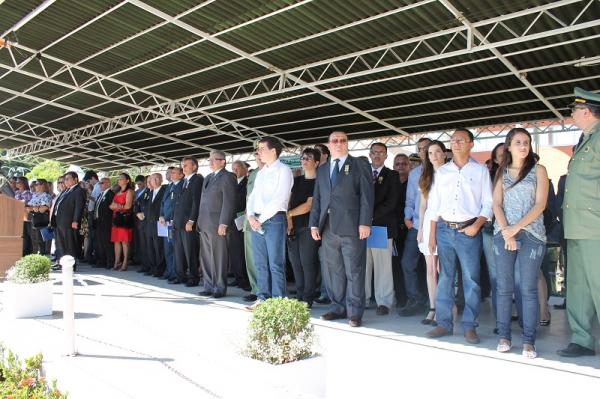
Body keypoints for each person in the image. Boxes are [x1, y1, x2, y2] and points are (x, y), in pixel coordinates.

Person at [425, 129, 493, 345]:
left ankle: (469, 326)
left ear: (471, 144)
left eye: (460, 140)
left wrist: (477, 226)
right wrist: (432, 236)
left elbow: (488, 204)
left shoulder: (480, 171)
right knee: (445, 278)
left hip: (468, 231)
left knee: (471, 280)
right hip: (444, 230)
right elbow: (434, 205)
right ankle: (444, 323)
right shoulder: (442, 172)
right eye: (453, 140)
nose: (456, 143)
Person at [492, 128, 548, 359]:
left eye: (526, 142)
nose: (523, 146)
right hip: (504, 234)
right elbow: (496, 204)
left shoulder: (539, 171)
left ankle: (528, 341)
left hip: (532, 235)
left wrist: (516, 228)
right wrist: (507, 231)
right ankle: (504, 336)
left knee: (528, 288)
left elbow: (540, 205)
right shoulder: (501, 172)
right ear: (509, 146)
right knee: (504, 288)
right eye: (518, 142)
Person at [310, 131, 374, 327]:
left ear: (347, 144)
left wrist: (365, 223)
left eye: (342, 140)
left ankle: (355, 312)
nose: (338, 143)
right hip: (328, 228)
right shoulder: (322, 169)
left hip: (353, 227)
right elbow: (318, 199)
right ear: (328, 145)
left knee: (354, 270)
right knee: (333, 270)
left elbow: (366, 196)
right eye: (334, 141)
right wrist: (313, 223)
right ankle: (338, 307)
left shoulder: (359, 165)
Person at [557, 88, 600, 358]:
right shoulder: (585, 139)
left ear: (586, 111)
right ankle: (582, 339)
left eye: (574, 109)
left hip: (595, 226)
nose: (572, 113)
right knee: (578, 287)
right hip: (576, 226)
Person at [246, 137, 294, 308]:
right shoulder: (260, 173)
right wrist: (250, 216)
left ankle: (279, 301)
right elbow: (252, 197)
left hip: (273, 220)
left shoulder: (284, 170)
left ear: (273, 151)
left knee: (276, 263)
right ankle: (263, 298)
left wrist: (259, 219)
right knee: (260, 262)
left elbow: (279, 199)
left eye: (261, 148)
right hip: (257, 220)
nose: (258, 152)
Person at [197, 150, 237, 298]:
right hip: (205, 223)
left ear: (223, 161)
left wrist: (224, 223)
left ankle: (219, 287)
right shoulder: (208, 177)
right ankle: (208, 286)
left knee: (219, 257)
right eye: (210, 160)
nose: (211, 162)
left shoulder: (228, 177)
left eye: (214, 159)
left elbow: (229, 202)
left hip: (218, 224)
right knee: (206, 256)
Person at [366, 143, 399, 316]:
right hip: (362, 227)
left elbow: (392, 202)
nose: (377, 155)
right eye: (374, 152)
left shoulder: (392, 175)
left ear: (386, 156)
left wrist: (369, 217)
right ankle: (362, 298)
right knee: (363, 264)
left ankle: (384, 302)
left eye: (381, 153)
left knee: (382, 267)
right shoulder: (362, 174)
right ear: (369, 154)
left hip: (381, 226)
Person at [417, 141, 447, 324]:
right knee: (430, 269)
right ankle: (433, 307)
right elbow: (422, 205)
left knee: (444, 269)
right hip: (428, 222)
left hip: (446, 222)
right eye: (430, 153)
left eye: (437, 152)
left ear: (444, 153)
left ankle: (445, 307)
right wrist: (420, 228)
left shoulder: (451, 173)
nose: (434, 155)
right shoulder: (426, 175)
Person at [400, 138, 431, 316]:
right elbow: (410, 200)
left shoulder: (443, 171)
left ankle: (434, 302)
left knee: (435, 267)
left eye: (427, 148)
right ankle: (415, 300)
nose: (424, 151)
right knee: (407, 263)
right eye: (420, 149)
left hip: (438, 227)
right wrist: (407, 217)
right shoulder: (414, 174)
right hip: (416, 225)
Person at [287, 147, 321, 308]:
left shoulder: (319, 181)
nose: (304, 160)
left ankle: (308, 297)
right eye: (303, 157)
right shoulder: (297, 180)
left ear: (316, 162)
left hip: (309, 226)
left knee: (307, 262)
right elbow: (288, 202)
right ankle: (299, 294)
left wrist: (289, 215)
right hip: (294, 226)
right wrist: (289, 223)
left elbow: (309, 205)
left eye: (308, 158)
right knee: (295, 263)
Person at [482, 142, 505, 333]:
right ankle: (501, 320)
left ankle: (524, 319)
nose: (504, 156)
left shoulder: (529, 174)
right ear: (495, 159)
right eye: (500, 154)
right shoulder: (488, 177)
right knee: (496, 276)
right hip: (490, 231)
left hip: (518, 231)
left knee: (518, 278)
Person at [172, 157, 204, 287]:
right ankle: (181, 275)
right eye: (183, 165)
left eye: (186, 165)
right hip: (178, 222)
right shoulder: (184, 181)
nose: (183, 167)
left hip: (188, 223)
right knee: (179, 251)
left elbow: (196, 202)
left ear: (194, 167)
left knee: (190, 251)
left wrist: (191, 220)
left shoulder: (197, 180)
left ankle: (193, 277)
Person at [242, 147, 265, 303]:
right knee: (251, 259)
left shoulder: (275, 171)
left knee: (265, 259)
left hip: (265, 220)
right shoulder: (254, 173)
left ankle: (265, 290)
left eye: (260, 152)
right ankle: (255, 289)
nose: (257, 156)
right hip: (249, 220)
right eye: (255, 153)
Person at [52, 171, 86, 266]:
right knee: (62, 244)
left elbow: (79, 207)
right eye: (64, 180)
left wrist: (75, 220)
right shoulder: (67, 190)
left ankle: (71, 265)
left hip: (69, 222)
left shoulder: (78, 190)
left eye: (67, 179)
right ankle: (63, 263)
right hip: (60, 221)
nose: (65, 181)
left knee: (70, 244)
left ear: (75, 179)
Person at [313, 142, 332, 305]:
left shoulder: (333, 171)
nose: (315, 154)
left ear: (326, 154)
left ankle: (327, 292)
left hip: (333, 225)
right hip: (317, 225)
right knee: (320, 261)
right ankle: (321, 289)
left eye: (318, 152)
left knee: (328, 260)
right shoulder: (316, 173)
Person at [392, 153, 410, 307]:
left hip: (410, 230)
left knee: (410, 264)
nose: (400, 166)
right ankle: (401, 297)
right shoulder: (390, 182)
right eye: (397, 164)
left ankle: (414, 296)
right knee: (396, 265)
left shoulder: (413, 183)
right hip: (394, 231)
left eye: (404, 163)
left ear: (409, 166)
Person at [229, 160, 250, 291]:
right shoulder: (232, 183)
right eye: (233, 168)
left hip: (243, 219)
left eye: (237, 168)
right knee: (234, 251)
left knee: (243, 251)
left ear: (245, 169)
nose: (235, 171)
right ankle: (238, 277)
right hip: (232, 221)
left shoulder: (247, 182)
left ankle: (245, 279)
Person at [159, 167, 183, 281]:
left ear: (181, 175)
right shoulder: (169, 186)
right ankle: (169, 271)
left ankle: (176, 273)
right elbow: (163, 203)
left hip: (174, 222)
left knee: (175, 250)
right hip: (165, 223)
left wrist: (170, 217)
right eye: (170, 173)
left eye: (174, 173)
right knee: (167, 249)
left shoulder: (182, 185)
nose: (171, 174)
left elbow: (177, 205)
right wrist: (161, 215)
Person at [110, 173, 134, 271]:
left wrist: (118, 206)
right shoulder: (117, 192)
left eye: (121, 179)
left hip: (124, 219)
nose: (119, 180)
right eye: (118, 179)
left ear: (127, 180)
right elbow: (110, 206)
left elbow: (128, 206)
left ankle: (125, 262)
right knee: (116, 241)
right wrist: (119, 206)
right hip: (116, 218)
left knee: (125, 241)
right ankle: (116, 261)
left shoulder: (129, 191)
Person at [145, 173, 166, 277]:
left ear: (161, 180)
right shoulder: (150, 192)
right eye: (153, 179)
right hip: (149, 224)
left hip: (159, 223)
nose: (155, 180)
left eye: (158, 178)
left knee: (159, 247)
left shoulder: (164, 191)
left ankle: (160, 269)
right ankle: (153, 267)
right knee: (151, 247)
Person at [25, 179, 52, 255]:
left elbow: (42, 209)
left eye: (37, 184)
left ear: (43, 185)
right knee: (35, 240)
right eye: (35, 184)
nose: (35, 186)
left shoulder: (46, 195)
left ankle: (43, 255)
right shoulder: (34, 195)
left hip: (42, 221)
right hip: (34, 219)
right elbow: (28, 208)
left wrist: (34, 208)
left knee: (41, 240)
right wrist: (35, 208)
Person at [93, 177, 115, 269]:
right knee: (100, 242)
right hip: (99, 221)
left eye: (102, 183)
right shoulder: (100, 195)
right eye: (100, 183)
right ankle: (101, 260)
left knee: (107, 242)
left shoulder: (110, 194)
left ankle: (109, 261)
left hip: (106, 222)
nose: (100, 185)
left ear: (108, 184)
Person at [14, 176, 33, 255]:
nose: (16, 183)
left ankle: (27, 251)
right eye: (16, 182)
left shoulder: (28, 193)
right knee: (20, 234)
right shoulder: (17, 192)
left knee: (27, 234)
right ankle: (21, 250)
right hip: (17, 215)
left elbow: (28, 204)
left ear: (23, 183)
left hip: (25, 216)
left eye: (18, 182)